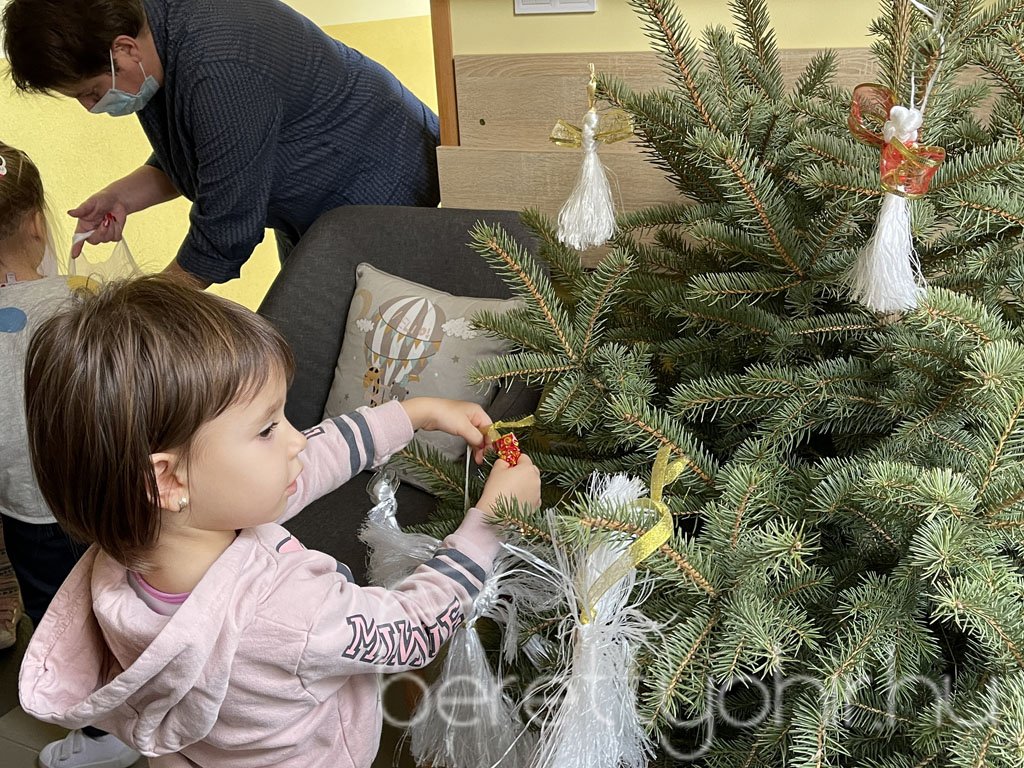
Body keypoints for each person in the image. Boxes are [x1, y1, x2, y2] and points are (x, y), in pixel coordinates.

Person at [18, 276, 541, 767]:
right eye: (268, 428)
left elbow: (304, 465)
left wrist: (412, 414)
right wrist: (491, 524)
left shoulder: (137, 545)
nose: (296, 440)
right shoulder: (288, 612)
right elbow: (409, 632)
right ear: (168, 481)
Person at [1, 0, 441, 287]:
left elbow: (228, 226)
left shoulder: (219, 61)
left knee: (371, 339)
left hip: (383, 181)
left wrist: (153, 301)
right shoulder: (155, 38)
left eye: (92, 92)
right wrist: (122, 197)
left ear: (124, 50)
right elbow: (205, 151)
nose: (91, 107)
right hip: (316, 205)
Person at [0, 141, 143, 768]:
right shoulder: (84, 296)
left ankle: (100, 731)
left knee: (58, 618)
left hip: (30, 514)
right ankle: (128, 717)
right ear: (37, 223)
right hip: (109, 494)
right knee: (126, 603)